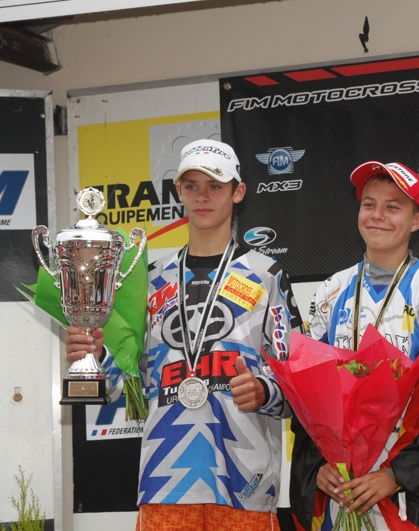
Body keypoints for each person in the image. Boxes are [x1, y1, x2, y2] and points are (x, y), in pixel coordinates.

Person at [65, 139, 303, 531]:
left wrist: (265, 390)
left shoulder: (267, 275)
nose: (202, 196)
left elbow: (299, 381)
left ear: (238, 191)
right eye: (191, 185)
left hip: (244, 480)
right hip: (166, 479)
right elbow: (129, 381)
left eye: (215, 185)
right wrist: (95, 355)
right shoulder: (148, 277)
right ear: (178, 191)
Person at [290, 161, 419, 531]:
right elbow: (306, 399)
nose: (377, 215)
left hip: (406, 485)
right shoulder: (329, 292)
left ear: (416, 219)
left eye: (393, 206)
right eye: (369, 204)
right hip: (342, 485)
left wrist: (396, 474)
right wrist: (318, 466)